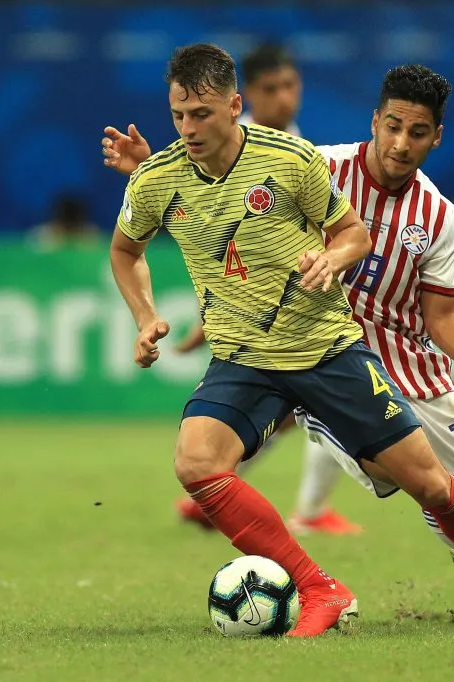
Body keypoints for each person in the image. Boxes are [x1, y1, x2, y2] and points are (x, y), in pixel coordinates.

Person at [108, 43, 454, 636]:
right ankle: (318, 583)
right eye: (392, 127)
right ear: (374, 122)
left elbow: (430, 309)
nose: (401, 143)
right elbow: (207, 211)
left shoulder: (434, 214)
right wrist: (160, 175)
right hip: (258, 351)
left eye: (417, 132)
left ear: (436, 137)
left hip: (367, 356)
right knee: (198, 461)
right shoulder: (321, 161)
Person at [103, 43, 359, 536]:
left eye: (291, 86)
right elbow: (210, 208)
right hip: (278, 314)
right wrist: (146, 170)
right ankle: (296, 507)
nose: (284, 98)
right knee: (295, 412)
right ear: (247, 99)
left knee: (309, 418)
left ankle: (266, 500)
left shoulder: (300, 150)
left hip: (326, 294)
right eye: (272, 89)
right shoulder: (233, 144)